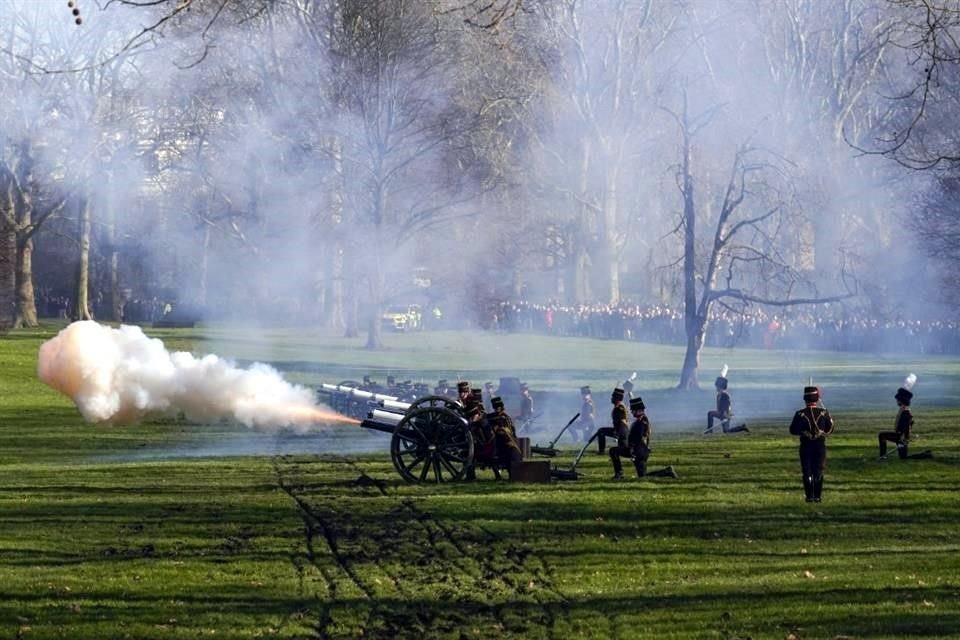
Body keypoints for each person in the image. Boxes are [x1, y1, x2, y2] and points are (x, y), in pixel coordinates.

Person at [610, 396, 679, 480]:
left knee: (643, 477)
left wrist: (632, 450)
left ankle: (667, 471)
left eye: (633, 410)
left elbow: (639, 438)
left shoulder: (642, 422)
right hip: (638, 451)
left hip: (639, 452)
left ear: (638, 410)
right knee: (613, 451)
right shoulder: (640, 421)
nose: (631, 412)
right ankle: (619, 473)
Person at [788, 386, 834, 503]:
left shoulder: (799, 414)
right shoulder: (824, 413)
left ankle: (809, 496)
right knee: (818, 470)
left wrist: (803, 432)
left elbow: (793, 430)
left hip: (806, 445)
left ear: (805, 399)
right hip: (819, 445)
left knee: (807, 470)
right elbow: (830, 429)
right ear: (817, 399)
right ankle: (817, 496)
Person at [878, 383, 933, 460]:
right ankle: (925, 455)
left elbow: (907, 426)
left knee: (882, 435)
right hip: (900, 436)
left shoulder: (905, 412)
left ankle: (883, 456)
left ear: (901, 401)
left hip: (900, 437)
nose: (896, 401)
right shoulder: (903, 410)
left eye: (898, 400)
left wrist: (903, 440)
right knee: (904, 457)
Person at [489, 396, 522, 470]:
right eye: (496, 407)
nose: (497, 409)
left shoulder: (505, 417)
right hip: (497, 442)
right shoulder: (491, 417)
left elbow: (511, 430)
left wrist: (503, 430)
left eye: (498, 407)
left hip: (507, 441)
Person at [597, 387, 628, 455]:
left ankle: (601, 451)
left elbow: (623, 422)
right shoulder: (618, 406)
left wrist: (619, 433)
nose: (611, 399)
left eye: (613, 397)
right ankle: (601, 451)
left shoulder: (620, 408)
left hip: (621, 433)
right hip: (619, 431)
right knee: (601, 431)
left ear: (617, 398)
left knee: (623, 449)